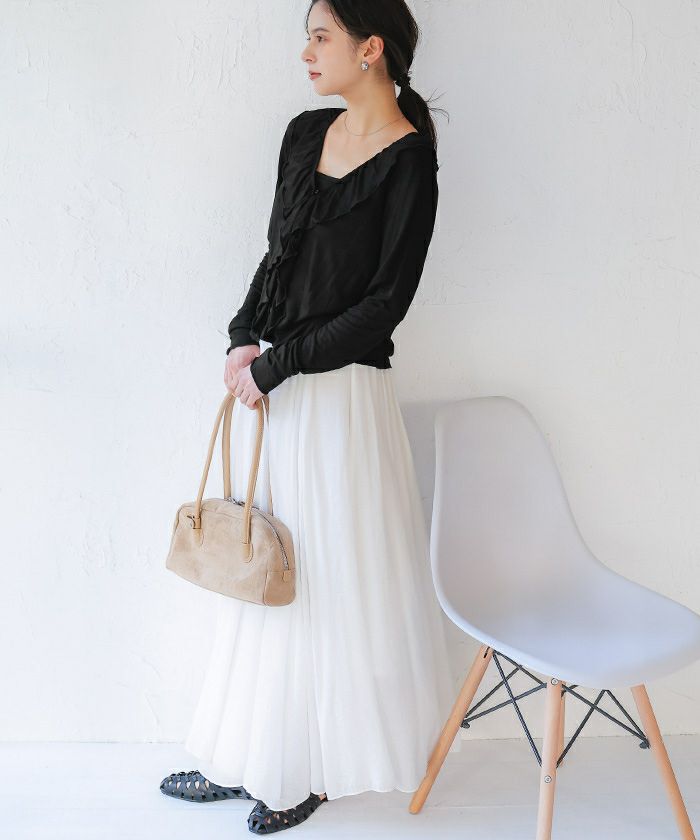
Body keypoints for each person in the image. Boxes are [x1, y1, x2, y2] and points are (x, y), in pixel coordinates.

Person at [159, 0, 460, 833]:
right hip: (278, 389)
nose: (306, 53)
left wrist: (278, 364)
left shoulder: (410, 163)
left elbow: (383, 307)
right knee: (264, 576)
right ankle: (250, 756)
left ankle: (308, 770)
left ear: (370, 49)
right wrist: (242, 335)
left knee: (323, 582)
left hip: (339, 398)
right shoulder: (303, 135)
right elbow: (279, 254)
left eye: (320, 36)